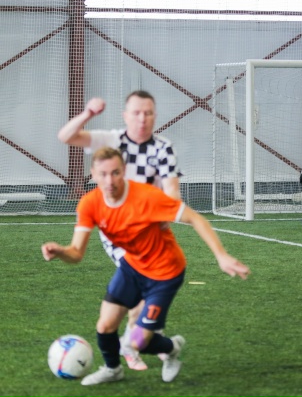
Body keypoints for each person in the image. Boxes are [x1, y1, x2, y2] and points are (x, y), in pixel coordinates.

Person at [41, 147, 251, 385]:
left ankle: (172, 348)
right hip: (132, 267)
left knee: (138, 342)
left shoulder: (146, 197)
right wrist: (60, 252)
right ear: (94, 174)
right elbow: (76, 253)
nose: (109, 181)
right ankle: (113, 370)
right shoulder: (89, 204)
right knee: (105, 325)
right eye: (103, 174)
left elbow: (195, 218)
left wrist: (222, 256)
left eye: (115, 173)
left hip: (165, 273)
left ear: (124, 171)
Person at [58, 90, 180, 370]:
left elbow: (172, 193)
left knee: (150, 295)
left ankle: (145, 339)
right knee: (141, 295)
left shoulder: (163, 148)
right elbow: (66, 136)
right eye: (136, 113)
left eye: (148, 113)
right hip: (117, 234)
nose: (142, 118)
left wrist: (164, 215)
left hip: (151, 235)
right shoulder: (112, 141)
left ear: (155, 116)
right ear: (126, 116)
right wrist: (88, 113)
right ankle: (132, 347)